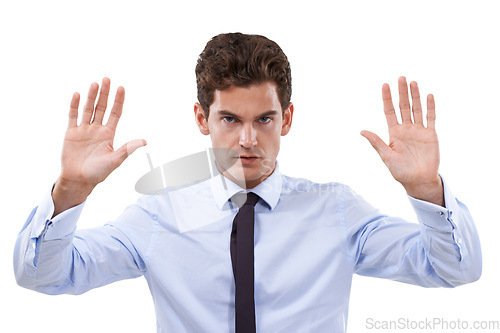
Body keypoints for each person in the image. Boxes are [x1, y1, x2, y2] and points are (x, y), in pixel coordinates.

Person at [14, 32, 482, 332]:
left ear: (288, 118)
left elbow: (454, 270)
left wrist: (427, 191)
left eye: (264, 119)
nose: (248, 139)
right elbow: (43, 276)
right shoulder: (159, 214)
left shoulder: (335, 211)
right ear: (202, 118)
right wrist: (70, 192)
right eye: (230, 119)